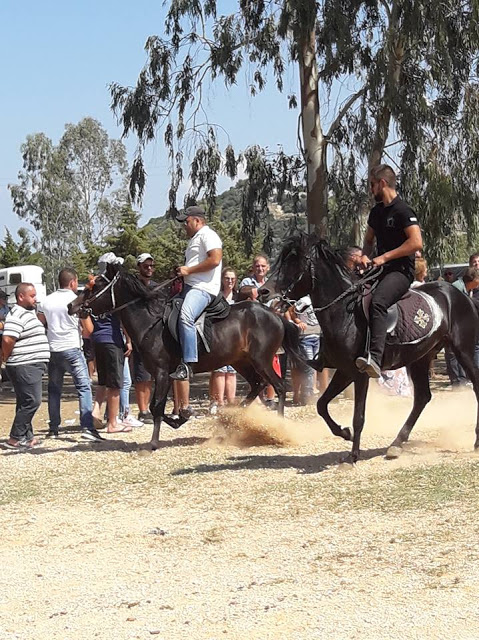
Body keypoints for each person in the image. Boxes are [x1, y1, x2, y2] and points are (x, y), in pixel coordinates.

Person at [357, 164, 423, 377]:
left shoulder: (403, 211)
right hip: (378, 269)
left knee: (378, 302)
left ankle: (375, 359)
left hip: (401, 272)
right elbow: (368, 241)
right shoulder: (376, 213)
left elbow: (416, 243)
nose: (370, 189)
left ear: (382, 183)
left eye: (372, 185)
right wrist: (364, 256)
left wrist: (385, 256)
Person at [37, 268, 104, 441]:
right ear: (73, 282)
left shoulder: (46, 301)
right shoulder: (76, 301)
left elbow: (41, 323)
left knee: (54, 390)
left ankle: (53, 428)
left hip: (53, 349)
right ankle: (87, 427)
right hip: (72, 348)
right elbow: (89, 330)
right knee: (83, 387)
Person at [170, 206, 223, 420]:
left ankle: (188, 364)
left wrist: (188, 271)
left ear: (197, 221)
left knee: (185, 316)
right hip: (190, 287)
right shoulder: (195, 238)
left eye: (186, 221)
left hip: (203, 289)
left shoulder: (208, 235)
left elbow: (215, 259)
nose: (184, 225)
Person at [1, 283, 50, 449]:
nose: (35, 299)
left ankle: (28, 438)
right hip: (24, 364)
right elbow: (8, 339)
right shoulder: (16, 314)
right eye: (32, 296)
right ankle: (15, 438)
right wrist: (6, 356)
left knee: (24, 401)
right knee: (32, 401)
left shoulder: (25, 313)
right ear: (21, 297)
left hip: (29, 364)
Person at [91, 254, 133, 434]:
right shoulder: (112, 289)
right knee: (115, 383)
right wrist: (129, 340)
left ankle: (95, 413)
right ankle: (113, 423)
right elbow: (123, 317)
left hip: (97, 337)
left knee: (102, 381)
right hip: (112, 337)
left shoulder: (93, 287)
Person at [131, 253, 157, 424]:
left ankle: (148, 408)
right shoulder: (133, 288)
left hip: (156, 335)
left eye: (151, 266)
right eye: (145, 266)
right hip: (139, 335)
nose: (149, 269)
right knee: (142, 374)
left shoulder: (156, 287)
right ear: (139, 266)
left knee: (152, 374)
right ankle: (143, 410)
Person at [209, 268, 237, 413]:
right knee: (220, 370)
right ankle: (219, 402)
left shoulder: (238, 297)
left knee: (232, 371)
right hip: (220, 338)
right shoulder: (216, 297)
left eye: (232, 278)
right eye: (227, 278)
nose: (230, 281)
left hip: (235, 340)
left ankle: (231, 403)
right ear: (222, 279)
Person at [444, 267, 479, 387]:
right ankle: (456, 381)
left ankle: (462, 379)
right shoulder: (457, 288)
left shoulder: (466, 288)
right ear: (473, 279)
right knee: (452, 354)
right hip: (451, 327)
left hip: (458, 326)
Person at [286, 295, 321, 405]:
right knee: (309, 366)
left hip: (317, 335)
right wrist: (297, 321)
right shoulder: (305, 300)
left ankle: (308, 392)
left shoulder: (318, 299)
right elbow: (291, 310)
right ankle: (307, 394)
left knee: (314, 365)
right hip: (306, 337)